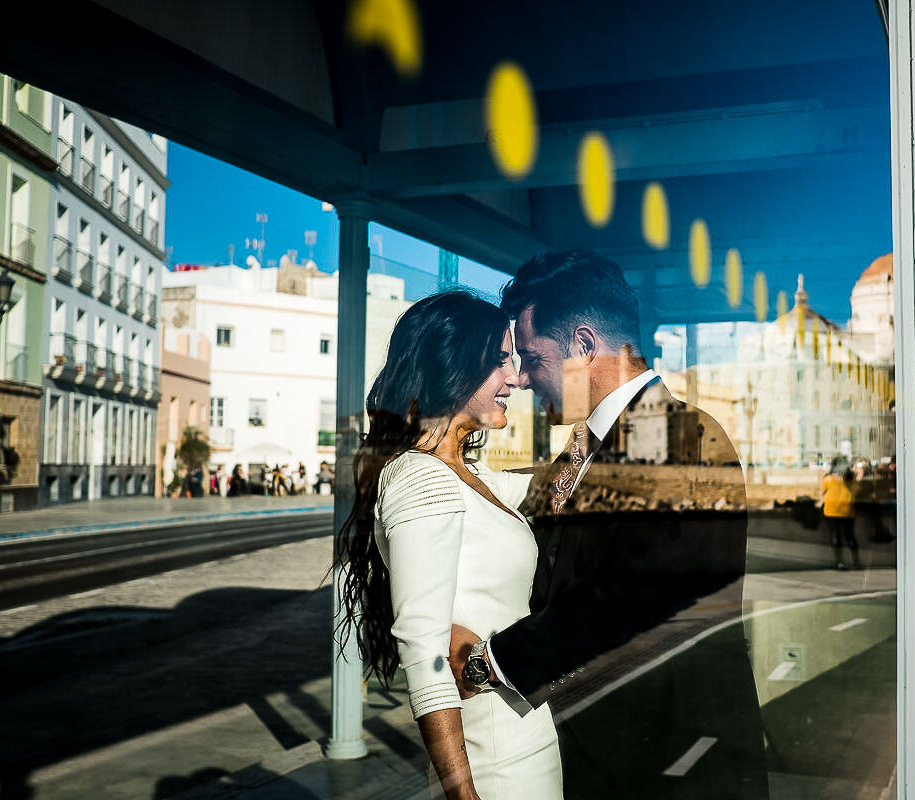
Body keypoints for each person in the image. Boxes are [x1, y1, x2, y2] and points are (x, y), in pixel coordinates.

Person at [447, 251, 767, 799]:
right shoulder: (589, 448)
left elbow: (627, 605)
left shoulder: (675, 436)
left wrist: (483, 663)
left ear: (585, 346)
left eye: (531, 358)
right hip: (613, 753)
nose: (521, 379)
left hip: (670, 765)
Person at [337, 291, 561, 800]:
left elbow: (561, 485)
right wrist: (462, 794)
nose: (514, 378)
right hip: (496, 766)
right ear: (455, 367)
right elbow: (427, 656)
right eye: (501, 361)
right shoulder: (422, 479)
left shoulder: (466, 475)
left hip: (524, 743)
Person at [821, 458, 862, 570]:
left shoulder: (828, 478)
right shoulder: (850, 478)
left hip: (831, 510)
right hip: (847, 510)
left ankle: (839, 562)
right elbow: (857, 491)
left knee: (836, 535)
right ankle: (856, 562)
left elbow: (823, 493)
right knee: (850, 536)